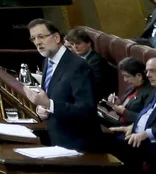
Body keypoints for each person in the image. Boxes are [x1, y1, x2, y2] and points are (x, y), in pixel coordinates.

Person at [26, 18, 101, 152]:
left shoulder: (77, 66)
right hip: (57, 140)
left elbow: (86, 109)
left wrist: (49, 104)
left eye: (41, 37)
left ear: (56, 37)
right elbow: (52, 98)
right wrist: (42, 109)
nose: (37, 42)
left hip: (79, 146)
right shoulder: (47, 61)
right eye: (33, 38)